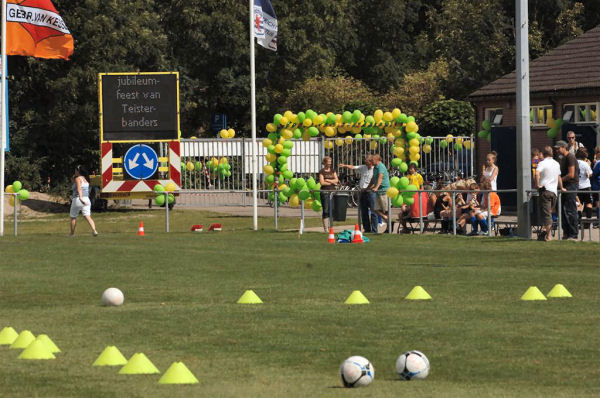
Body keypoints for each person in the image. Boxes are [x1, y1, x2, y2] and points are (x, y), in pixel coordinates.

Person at [339, 155, 375, 233]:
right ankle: (367, 229)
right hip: (362, 192)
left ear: (371, 161)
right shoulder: (363, 167)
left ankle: (374, 230)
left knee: (373, 211)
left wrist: (368, 188)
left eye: (367, 160)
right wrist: (345, 165)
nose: (365, 162)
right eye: (365, 160)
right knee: (364, 211)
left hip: (371, 192)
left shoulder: (375, 169)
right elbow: (353, 167)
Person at [534, 146, 563, 241]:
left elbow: (537, 173)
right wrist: (561, 187)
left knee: (546, 214)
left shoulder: (542, 163)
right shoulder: (556, 163)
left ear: (543, 153)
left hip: (545, 191)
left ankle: (549, 235)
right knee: (549, 213)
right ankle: (544, 233)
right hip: (554, 192)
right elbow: (559, 177)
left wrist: (537, 184)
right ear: (551, 153)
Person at [555, 140, 579, 240]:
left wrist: (559, 180)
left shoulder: (570, 157)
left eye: (558, 148)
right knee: (561, 210)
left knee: (570, 210)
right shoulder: (561, 158)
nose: (556, 150)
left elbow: (571, 174)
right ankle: (566, 232)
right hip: (564, 186)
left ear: (564, 147)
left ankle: (573, 234)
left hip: (571, 185)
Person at [70, 166, 98, 236]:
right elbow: (73, 182)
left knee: (73, 217)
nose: (74, 172)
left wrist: (80, 198)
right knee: (88, 216)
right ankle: (94, 230)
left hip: (78, 199)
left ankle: (72, 234)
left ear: (78, 171)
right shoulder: (85, 179)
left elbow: (79, 189)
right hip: (87, 199)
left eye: (75, 170)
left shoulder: (78, 179)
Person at [367, 154, 390, 233]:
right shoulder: (375, 168)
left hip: (384, 191)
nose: (371, 161)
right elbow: (373, 179)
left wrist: (376, 188)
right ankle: (388, 220)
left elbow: (380, 178)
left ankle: (388, 228)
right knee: (375, 209)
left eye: (373, 159)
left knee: (385, 210)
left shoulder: (381, 167)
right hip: (378, 191)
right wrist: (367, 187)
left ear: (377, 160)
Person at [318, 156, 339, 232]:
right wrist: (332, 181)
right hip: (325, 192)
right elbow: (322, 182)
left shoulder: (333, 170)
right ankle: (326, 228)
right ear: (325, 163)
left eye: (331, 162)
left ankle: (331, 227)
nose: (330, 164)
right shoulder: (321, 172)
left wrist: (328, 180)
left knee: (332, 209)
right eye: (328, 162)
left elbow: (336, 180)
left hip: (332, 192)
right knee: (326, 209)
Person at [575, 148, 593, 218]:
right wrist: (589, 165)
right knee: (589, 203)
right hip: (586, 186)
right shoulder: (585, 164)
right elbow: (590, 174)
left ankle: (579, 220)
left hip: (577, 186)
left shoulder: (574, 162)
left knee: (579, 204)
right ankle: (588, 221)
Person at [592, 146, 600, 224]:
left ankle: (598, 220)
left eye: (597, 153)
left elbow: (594, 174)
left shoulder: (598, 163)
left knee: (598, 203)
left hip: (597, 185)